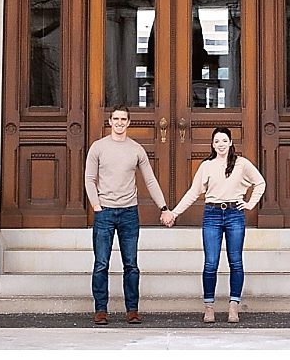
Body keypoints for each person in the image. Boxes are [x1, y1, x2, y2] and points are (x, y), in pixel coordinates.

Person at [161, 126, 265, 324]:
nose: (221, 145)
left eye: (224, 141)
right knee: (211, 263)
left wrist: (250, 203)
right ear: (212, 144)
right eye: (217, 141)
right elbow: (193, 192)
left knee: (235, 261)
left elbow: (260, 183)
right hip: (212, 215)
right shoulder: (207, 166)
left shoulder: (241, 164)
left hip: (235, 214)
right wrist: (174, 213)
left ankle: (234, 306)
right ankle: (209, 307)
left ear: (231, 142)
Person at [83, 106, 166, 325]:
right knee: (101, 263)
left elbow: (150, 180)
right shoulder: (98, 147)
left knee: (131, 264)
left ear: (129, 123)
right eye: (116, 119)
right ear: (110, 121)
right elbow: (89, 179)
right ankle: (101, 310)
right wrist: (97, 206)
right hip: (105, 213)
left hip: (129, 212)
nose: (120, 123)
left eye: (124, 119)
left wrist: (163, 207)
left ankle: (132, 310)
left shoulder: (136, 149)